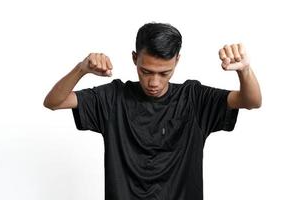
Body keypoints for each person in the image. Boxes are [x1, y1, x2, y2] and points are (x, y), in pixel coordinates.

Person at [43, 22, 262, 200]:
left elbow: (251, 101)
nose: (154, 82)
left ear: (177, 60)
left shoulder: (194, 99)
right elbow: (53, 102)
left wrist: (244, 70)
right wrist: (81, 69)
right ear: (134, 58)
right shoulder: (113, 97)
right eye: (146, 71)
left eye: (164, 73)